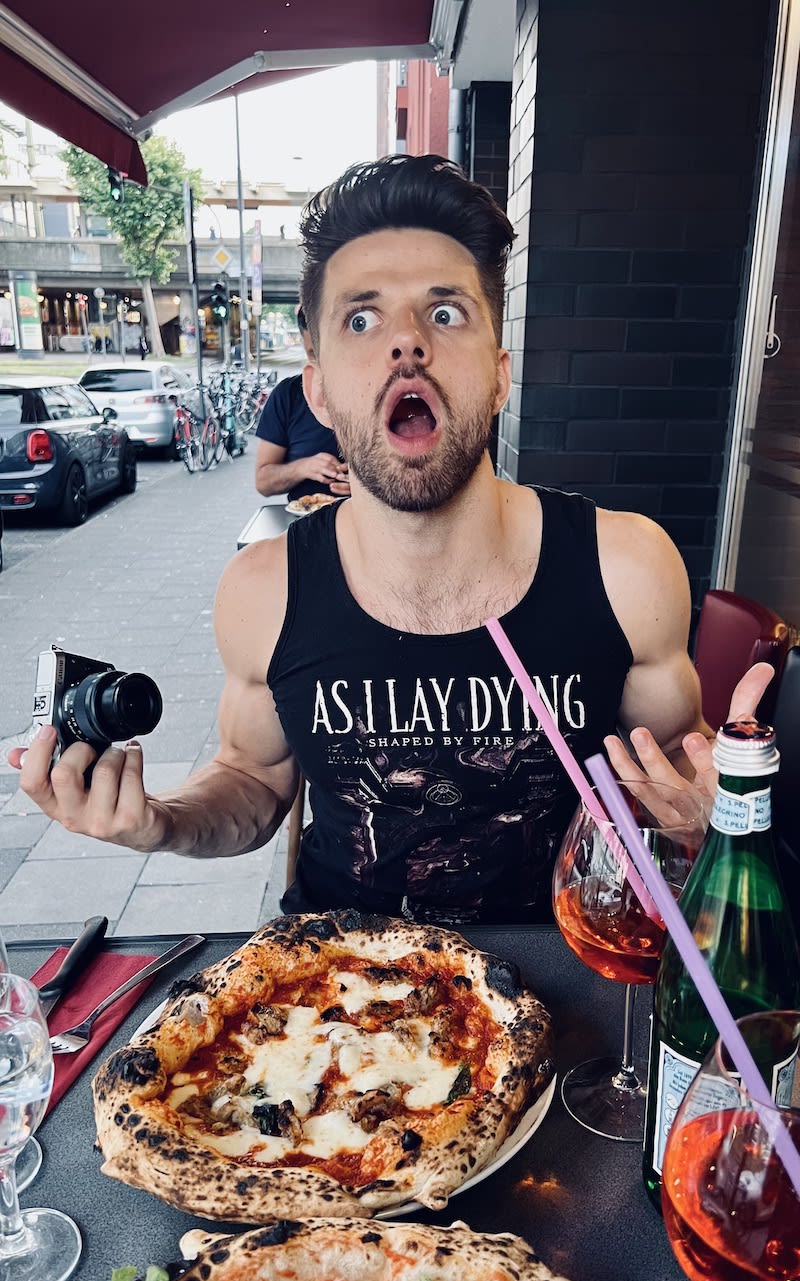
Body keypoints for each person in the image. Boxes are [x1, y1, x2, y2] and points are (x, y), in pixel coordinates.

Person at [11, 155, 770, 926]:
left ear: (500, 374)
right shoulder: (263, 590)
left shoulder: (626, 567)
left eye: (446, 314)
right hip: (336, 995)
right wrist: (160, 822)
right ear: (319, 389)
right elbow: (254, 781)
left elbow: (677, 766)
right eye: (362, 319)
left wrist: (716, 814)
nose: (407, 343)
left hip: (566, 966)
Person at [254, 309, 350, 500]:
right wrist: (303, 467)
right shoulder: (287, 395)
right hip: (304, 516)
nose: (324, 365)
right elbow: (263, 483)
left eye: (332, 352)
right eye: (313, 354)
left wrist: (370, 488)